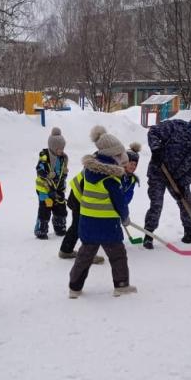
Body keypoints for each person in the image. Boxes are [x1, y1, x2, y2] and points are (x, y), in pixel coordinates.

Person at [69, 126, 136, 298]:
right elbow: (119, 201)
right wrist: (125, 217)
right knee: (118, 255)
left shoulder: (87, 171)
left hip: (87, 222)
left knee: (84, 255)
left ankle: (74, 288)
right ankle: (121, 285)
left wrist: (78, 208)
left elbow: (77, 188)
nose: (123, 158)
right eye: (119, 154)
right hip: (108, 225)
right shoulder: (111, 178)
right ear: (112, 155)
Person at [143, 106, 191, 248]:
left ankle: (188, 234)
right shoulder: (177, 127)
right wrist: (156, 150)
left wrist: (182, 184)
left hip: (179, 179)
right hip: (158, 171)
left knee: (187, 203)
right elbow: (153, 132)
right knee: (157, 204)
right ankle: (149, 235)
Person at [35, 127, 68, 240]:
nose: (61, 150)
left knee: (61, 208)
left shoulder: (63, 158)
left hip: (58, 188)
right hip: (45, 190)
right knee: (45, 210)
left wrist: (63, 176)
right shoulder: (45, 157)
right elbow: (39, 170)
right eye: (59, 148)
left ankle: (60, 227)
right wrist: (47, 175)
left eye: (63, 148)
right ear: (53, 147)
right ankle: (41, 230)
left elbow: (63, 173)